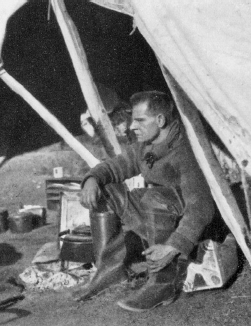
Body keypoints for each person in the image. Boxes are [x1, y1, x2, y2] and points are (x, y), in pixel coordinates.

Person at [74, 91, 215, 312]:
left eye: (140, 120)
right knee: (106, 190)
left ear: (160, 120)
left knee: (153, 197)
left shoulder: (185, 151)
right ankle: (110, 270)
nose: (131, 127)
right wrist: (92, 179)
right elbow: (117, 165)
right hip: (157, 215)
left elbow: (202, 208)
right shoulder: (145, 145)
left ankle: (162, 284)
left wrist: (173, 246)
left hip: (189, 227)